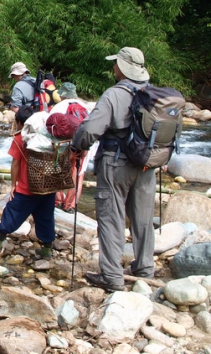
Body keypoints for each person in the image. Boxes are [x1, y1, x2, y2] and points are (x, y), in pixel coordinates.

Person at [71, 47, 154, 292]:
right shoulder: (154, 93)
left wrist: (77, 146)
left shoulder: (114, 95)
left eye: (116, 64)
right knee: (143, 217)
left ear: (123, 67)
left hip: (115, 164)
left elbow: (89, 130)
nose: (113, 68)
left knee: (111, 216)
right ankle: (144, 268)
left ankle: (111, 276)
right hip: (147, 164)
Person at [0, 106, 55, 259]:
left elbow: (15, 164)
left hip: (27, 187)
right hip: (48, 185)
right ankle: (47, 248)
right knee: (45, 216)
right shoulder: (48, 138)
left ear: (20, 123)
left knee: (12, 211)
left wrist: (14, 185)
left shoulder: (21, 138)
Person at [50, 82, 91, 211]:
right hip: (83, 145)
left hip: (64, 144)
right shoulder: (84, 106)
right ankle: (71, 205)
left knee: (57, 170)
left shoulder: (58, 106)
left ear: (62, 95)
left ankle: (57, 200)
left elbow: (49, 127)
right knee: (78, 172)